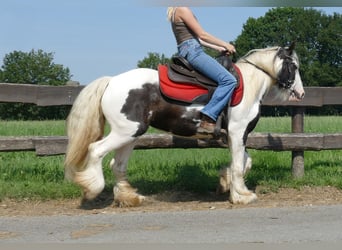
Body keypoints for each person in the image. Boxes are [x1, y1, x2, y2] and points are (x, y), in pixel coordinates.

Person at [167, 7, 237, 134]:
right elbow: (202, 34)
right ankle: (208, 116)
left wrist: (217, 48)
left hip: (189, 49)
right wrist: (225, 44)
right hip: (194, 52)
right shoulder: (183, 9)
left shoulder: (175, 11)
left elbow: (197, 39)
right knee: (229, 80)